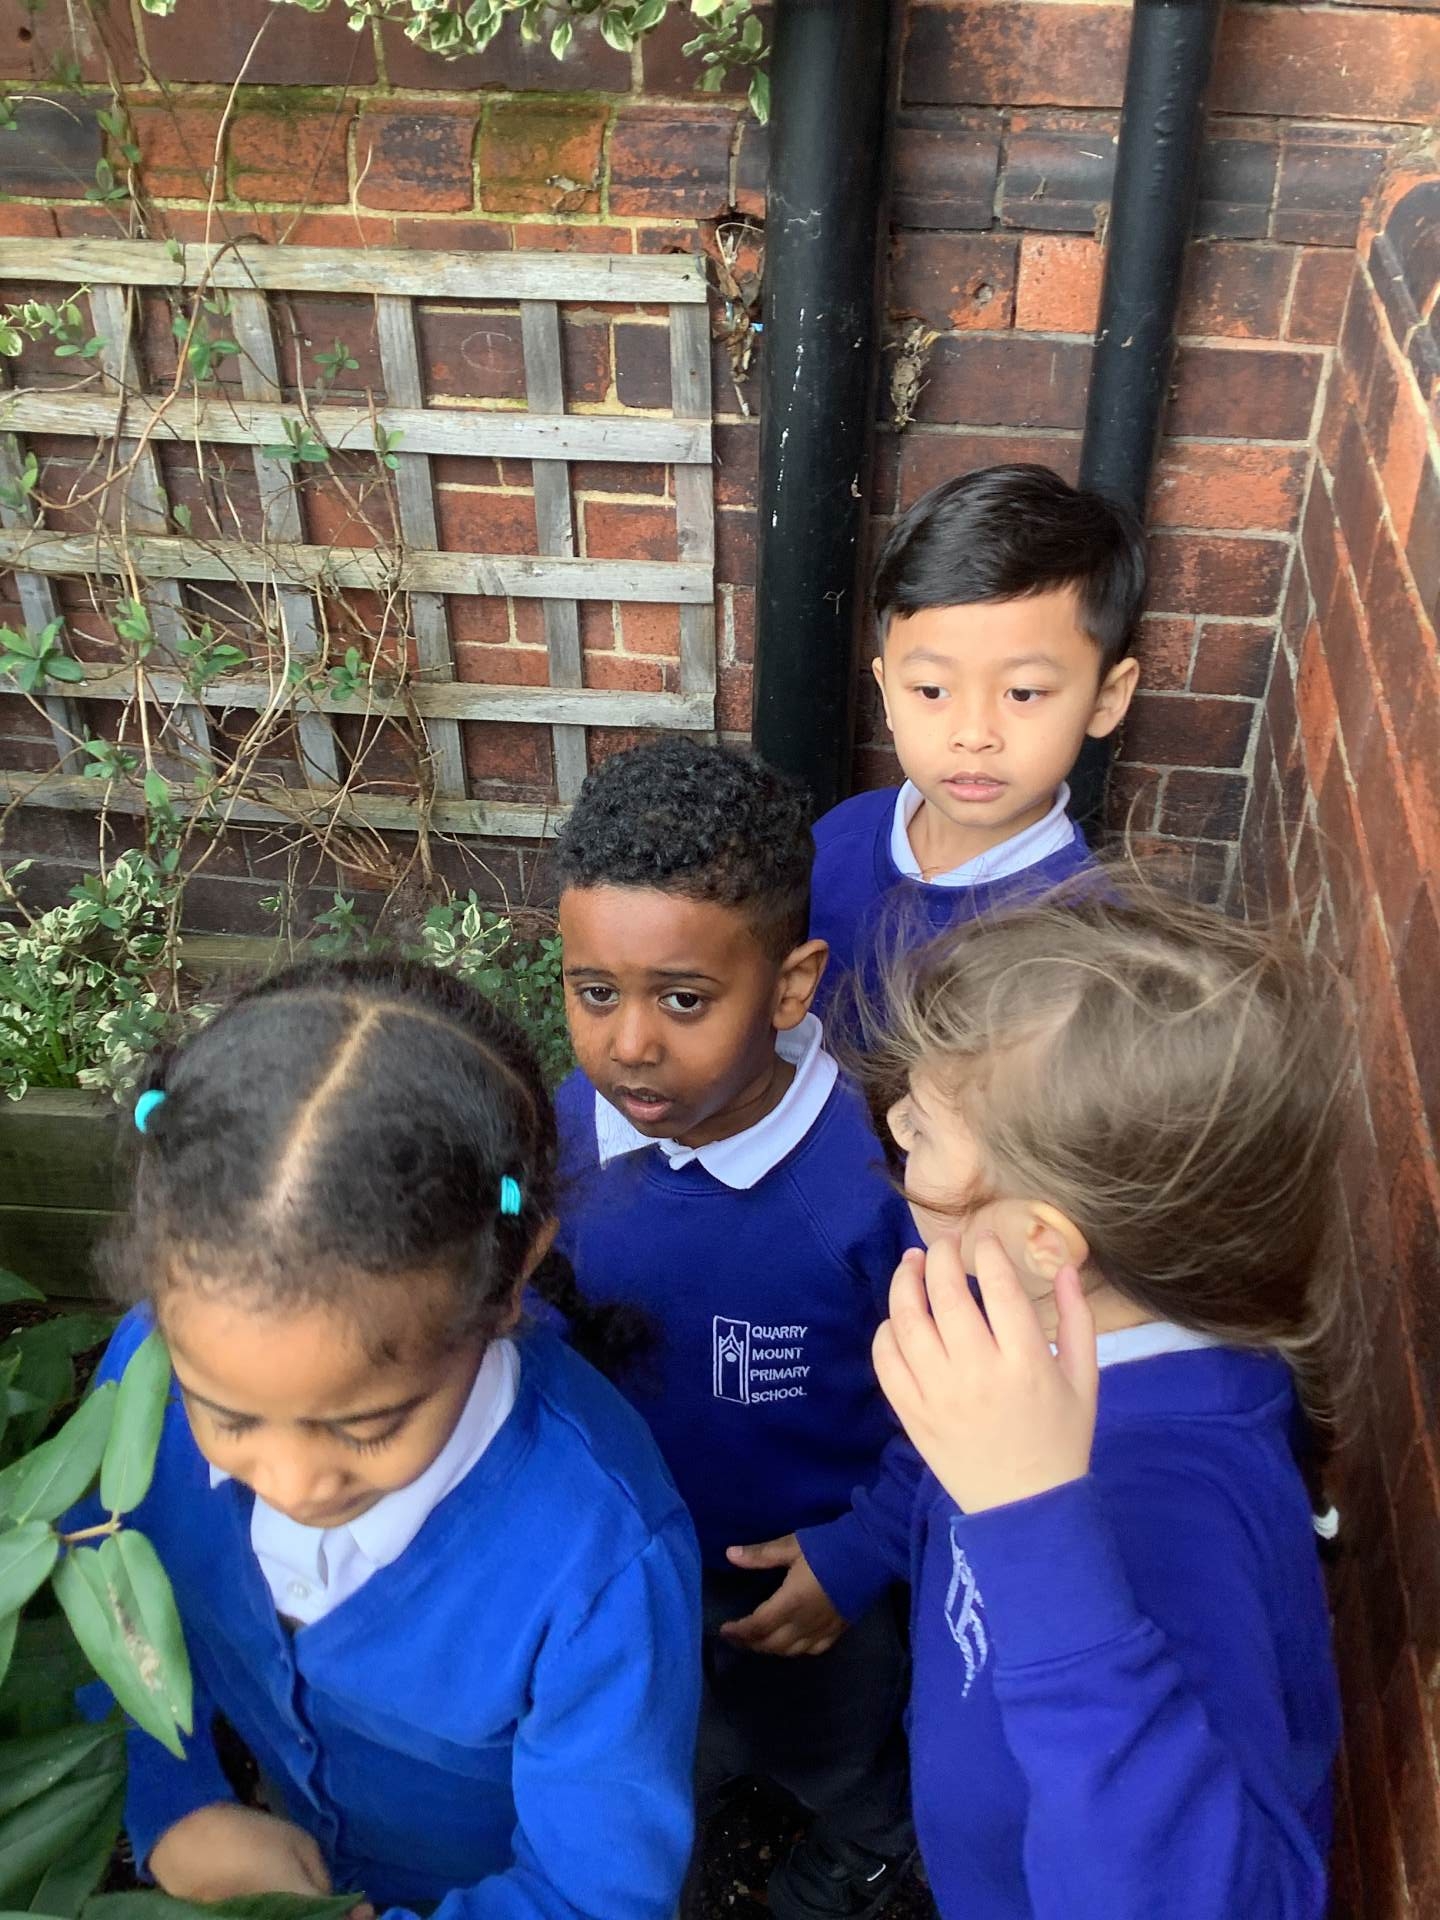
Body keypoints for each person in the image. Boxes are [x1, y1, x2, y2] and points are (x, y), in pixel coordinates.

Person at [77, 958, 700, 1920]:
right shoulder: (147, 1376)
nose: (291, 1484)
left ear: (509, 1279)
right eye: (228, 1417)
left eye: (365, 1427)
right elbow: (101, 1586)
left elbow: (596, 1894)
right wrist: (176, 1801)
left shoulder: (602, 1564)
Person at [865, 887, 1346, 1920]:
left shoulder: (1161, 1508)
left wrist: (1034, 1520)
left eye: (926, 1130)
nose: (894, 1124)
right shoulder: (1040, 1359)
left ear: (1045, 1243)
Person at [550, 737, 920, 1920]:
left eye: (684, 1000)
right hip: (629, 1562)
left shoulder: (877, 1185)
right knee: (672, 1740)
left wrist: (862, 1553)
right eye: (594, 992)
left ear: (793, 986)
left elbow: (960, 1403)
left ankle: (871, 1850)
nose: (630, 1044)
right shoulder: (563, 1132)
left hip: (807, 1574)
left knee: (839, 1748)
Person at [810, 464, 1146, 1020]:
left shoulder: (1092, 950)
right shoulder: (835, 840)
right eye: (932, 690)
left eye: (1023, 693)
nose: (973, 735)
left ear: (1106, 699)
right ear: (887, 693)